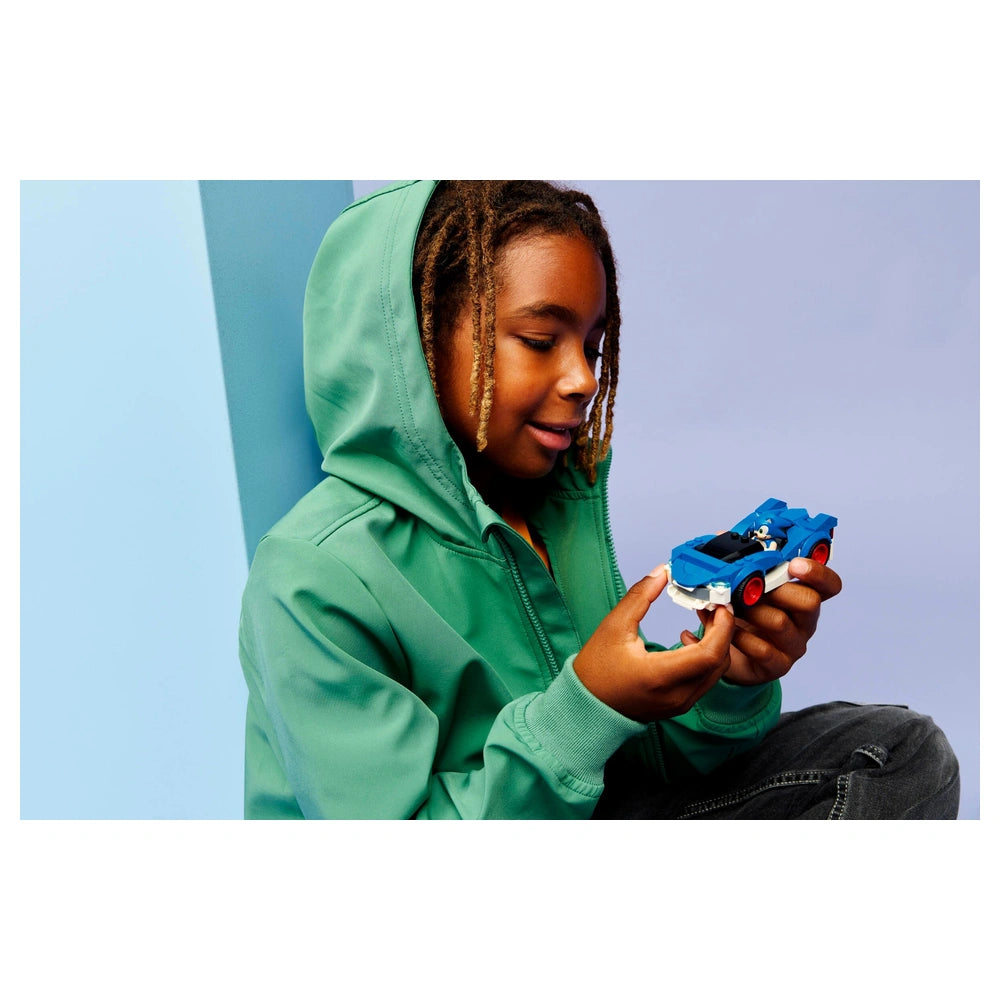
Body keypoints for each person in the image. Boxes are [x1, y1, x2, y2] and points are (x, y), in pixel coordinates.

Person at [238, 180, 959, 819]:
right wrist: (587, 708)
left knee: (893, 753)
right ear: (414, 350)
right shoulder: (314, 575)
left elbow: (641, 771)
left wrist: (726, 682)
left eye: (592, 346)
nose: (584, 379)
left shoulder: (554, 507)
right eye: (539, 339)